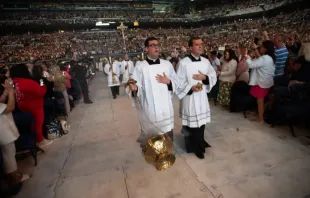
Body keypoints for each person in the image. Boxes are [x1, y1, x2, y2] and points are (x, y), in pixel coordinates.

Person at [129, 37, 179, 145]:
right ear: (146, 49)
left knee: (167, 135)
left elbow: (176, 81)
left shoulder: (167, 64)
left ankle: (168, 154)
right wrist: (135, 88)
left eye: (157, 45)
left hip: (165, 107)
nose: (156, 47)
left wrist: (169, 82)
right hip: (150, 107)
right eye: (152, 45)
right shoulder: (140, 67)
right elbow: (135, 85)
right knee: (153, 138)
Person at [175, 37, 217, 159]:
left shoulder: (206, 61)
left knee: (201, 123)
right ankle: (196, 147)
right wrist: (190, 88)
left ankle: (200, 142)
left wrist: (205, 78)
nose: (200, 46)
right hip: (190, 99)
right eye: (197, 44)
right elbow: (178, 82)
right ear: (190, 48)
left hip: (202, 97)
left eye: (201, 44)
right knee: (193, 124)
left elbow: (212, 76)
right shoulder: (183, 63)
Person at [0, 79, 29, 187]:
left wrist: (5, 93)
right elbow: (10, 107)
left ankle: (13, 175)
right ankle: (14, 178)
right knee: (9, 155)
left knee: (9, 154)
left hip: (4, 128)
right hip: (3, 132)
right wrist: (11, 92)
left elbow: (0, 102)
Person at [246, 40, 276, 123]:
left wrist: (248, 58)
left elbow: (251, 65)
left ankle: (260, 118)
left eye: (262, 46)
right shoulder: (270, 57)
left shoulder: (264, 58)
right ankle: (261, 115)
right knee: (262, 100)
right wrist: (255, 49)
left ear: (266, 49)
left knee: (260, 101)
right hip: (267, 81)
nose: (260, 48)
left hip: (261, 82)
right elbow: (260, 59)